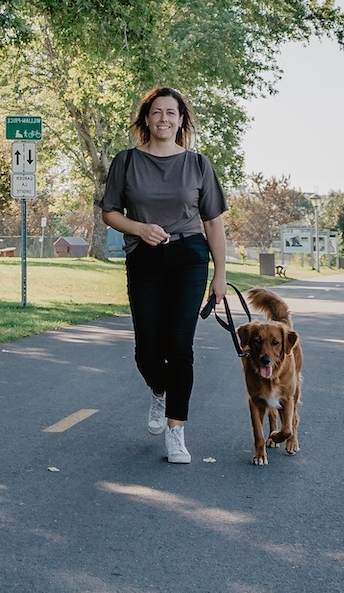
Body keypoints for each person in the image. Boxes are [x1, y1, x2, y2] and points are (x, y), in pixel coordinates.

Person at [99, 86, 229, 465]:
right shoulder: (126, 162)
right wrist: (139, 229)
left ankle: (176, 431)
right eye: (157, 112)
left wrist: (220, 274)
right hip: (145, 258)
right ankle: (160, 390)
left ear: (181, 120)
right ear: (146, 119)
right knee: (147, 351)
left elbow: (214, 223)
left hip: (189, 256)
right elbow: (110, 212)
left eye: (171, 113)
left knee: (180, 347)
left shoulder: (199, 164)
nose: (164, 119)